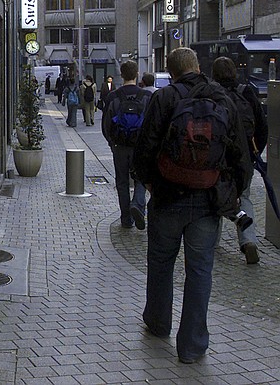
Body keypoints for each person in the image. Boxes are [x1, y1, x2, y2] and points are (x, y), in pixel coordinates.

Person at [133, 47, 251, 364]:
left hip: (168, 196)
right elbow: (241, 153)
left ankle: (158, 323)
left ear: (170, 72)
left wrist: (148, 183)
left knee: (160, 262)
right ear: (199, 67)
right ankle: (192, 346)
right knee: (200, 270)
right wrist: (233, 190)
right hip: (208, 199)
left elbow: (144, 148)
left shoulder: (164, 98)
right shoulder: (222, 98)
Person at [211, 56, 268, 264]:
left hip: (219, 157)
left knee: (215, 197)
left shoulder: (213, 94)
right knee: (244, 196)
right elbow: (262, 127)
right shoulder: (247, 92)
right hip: (244, 158)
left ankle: (212, 243)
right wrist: (254, 153)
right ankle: (248, 239)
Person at [102, 60, 152, 229]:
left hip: (120, 146)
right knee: (141, 178)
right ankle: (137, 204)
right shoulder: (147, 97)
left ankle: (126, 219)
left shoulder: (113, 97)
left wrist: (112, 142)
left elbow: (106, 124)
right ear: (137, 74)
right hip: (140, 147)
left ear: (121, 75)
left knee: (122, 182)